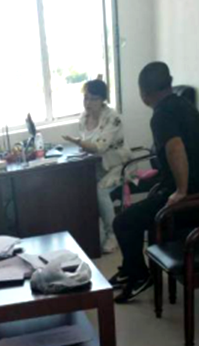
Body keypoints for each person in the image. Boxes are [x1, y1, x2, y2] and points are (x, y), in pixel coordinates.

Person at [111, 62, 199, 303]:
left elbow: (175, 148)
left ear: (144, 93)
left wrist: (181, 191)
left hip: (189, 200)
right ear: (169, 82)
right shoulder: (184, 105)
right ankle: (129, 269)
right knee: (135, 216)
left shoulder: (162, 114)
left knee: (123, 222)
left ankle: (139, 276)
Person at [64, 79, 132, 254]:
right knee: (78, 185)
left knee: (99, 190)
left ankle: (113, 235)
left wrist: (78, 142)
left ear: (103, 99)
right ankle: (88, 232)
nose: (88, 103)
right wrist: (80, 145)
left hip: (117, 166)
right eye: (86, 98)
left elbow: (100, 147)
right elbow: (87, 147)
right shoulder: (83, 118)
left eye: (93, 99)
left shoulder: (112, 118)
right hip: (96, 165)